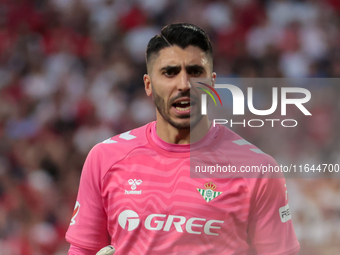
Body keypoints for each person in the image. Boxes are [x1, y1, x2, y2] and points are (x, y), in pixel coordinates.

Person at [66, 23, 300, 255]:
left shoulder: (258, 169)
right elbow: (82, 250)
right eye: (170, 72)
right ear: (148, 84)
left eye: (196, 72)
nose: (184, 85)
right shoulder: (105, 158)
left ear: (213, 83)